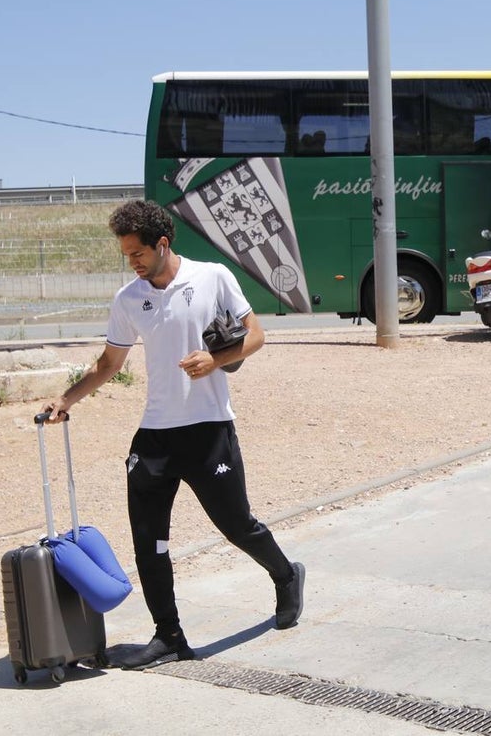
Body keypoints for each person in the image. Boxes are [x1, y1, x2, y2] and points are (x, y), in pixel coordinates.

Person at [42, 200, 305, 670]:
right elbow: (110, 363)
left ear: (162, 244)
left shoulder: (213, 277)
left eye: (137, 253)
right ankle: (169, 636)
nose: (132, 262)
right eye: (126, 255)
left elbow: (256, 335)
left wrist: (215, 360)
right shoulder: (129, 298)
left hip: (209, 429)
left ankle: (286, 576)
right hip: (155, 436)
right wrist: (66, 399)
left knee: (237, 526)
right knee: (148, 540)